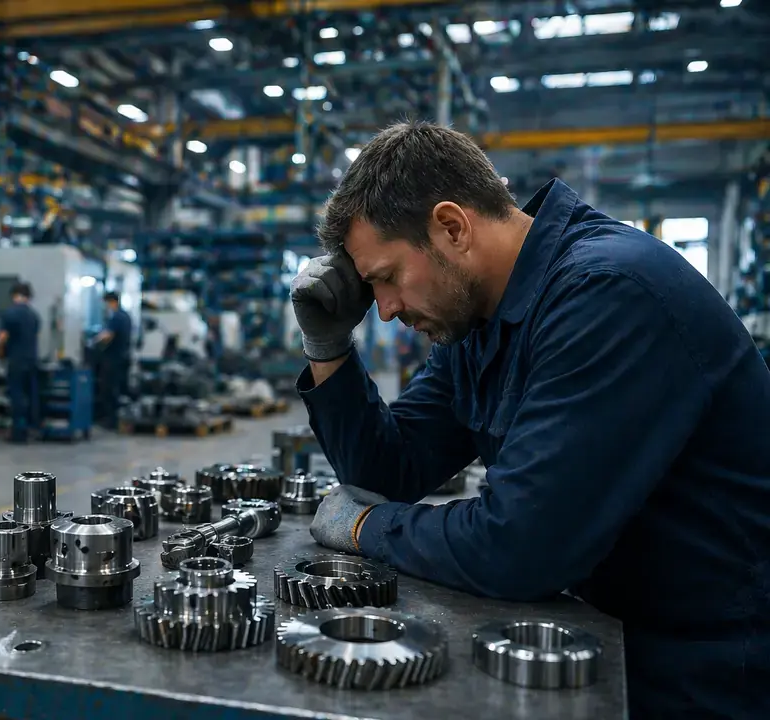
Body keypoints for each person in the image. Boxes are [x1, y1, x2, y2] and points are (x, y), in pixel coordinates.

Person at [293, 121, 770, 719]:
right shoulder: (480, 322)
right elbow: (391, 469)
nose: (384, 311)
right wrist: (327, 343)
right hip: (615, 630)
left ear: (451, 226)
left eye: (386, 278)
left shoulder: (606, 294)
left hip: (714, 665)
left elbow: (519, 544)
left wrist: (367, 528)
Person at [0, 282, 41, 443]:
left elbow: (2, 338)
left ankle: (18, 433)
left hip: (16, 360)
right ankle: (31, 429)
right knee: (30, 396)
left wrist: (0, 354)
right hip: (32, 361)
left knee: (16, 396)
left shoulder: (10, 314)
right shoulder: (34, 316)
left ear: (14, 295)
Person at [93, 291, 132, 428]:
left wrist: (95, 340)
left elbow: (107, 336)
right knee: (118, 389)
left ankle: (111, 421)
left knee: (108, 390)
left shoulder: (116, 317)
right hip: (123, 357)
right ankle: (117, 419)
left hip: (113, 359)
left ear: (112, 302)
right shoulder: (126, 316)